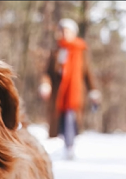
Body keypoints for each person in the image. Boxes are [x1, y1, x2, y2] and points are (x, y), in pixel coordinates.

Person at [40, 18, 101, 160]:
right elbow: (47, 72)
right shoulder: (56, 51)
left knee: (70, 118)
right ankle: (64, 144)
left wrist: (93, 90)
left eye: (66, 31)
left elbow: (87, 72)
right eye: (61, 31)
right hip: (59, 92)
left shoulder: (81, 50)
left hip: (75, 92)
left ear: (73, 33)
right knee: (60, 119)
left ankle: (70, 146)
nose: (63, 33)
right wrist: (45, 84)